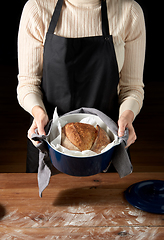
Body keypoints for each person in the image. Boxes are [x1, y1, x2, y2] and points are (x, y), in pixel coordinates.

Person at [17, 0, 146, 173]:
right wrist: (38, 113)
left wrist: (127, 115)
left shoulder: (129, 12)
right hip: (49, 141)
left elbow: (132, 87)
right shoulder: (37, 10)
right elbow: (28, 83)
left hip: (106, 143)